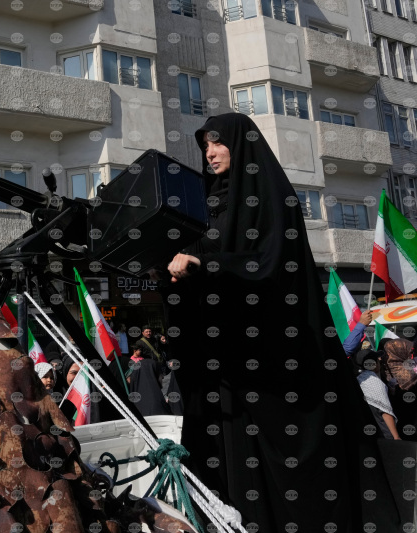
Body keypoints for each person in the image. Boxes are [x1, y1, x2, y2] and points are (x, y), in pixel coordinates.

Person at [160, 113, 399, 531]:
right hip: (229, 360)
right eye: (204, 146)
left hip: (280, 359)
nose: (210, 153)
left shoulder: (272, 197)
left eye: (217, 143)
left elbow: (271, 264)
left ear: (241, 144)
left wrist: (208, 264)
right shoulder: (204, 204)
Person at [355, 349, 400, 440]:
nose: (380, 361)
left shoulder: (359, 378)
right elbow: (385, 411)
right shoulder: (374, 382)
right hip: (384, 433)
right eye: (377, 360)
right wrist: (396, 437)